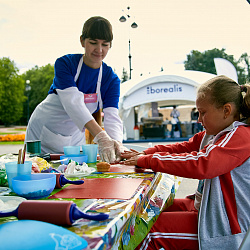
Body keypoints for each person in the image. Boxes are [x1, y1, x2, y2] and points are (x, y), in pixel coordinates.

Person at [122, 75, 250, 249]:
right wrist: (144, 153)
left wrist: (148, 160)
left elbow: (202, 164)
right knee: (149, 208)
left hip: (225, 229)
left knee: (147, 232)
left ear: (226, 110)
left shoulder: (241, 136)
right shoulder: (213, 133)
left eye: (203, 113)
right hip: (204, 209)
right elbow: (182, 148)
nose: (198, 119)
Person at [25, 16, 126, 163]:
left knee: (75, 175)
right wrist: (101, 136)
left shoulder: (110, 79)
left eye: (105, 44)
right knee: (38, 170)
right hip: (43, 132)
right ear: (82, 41)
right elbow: (73, 103)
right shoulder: (65, 64)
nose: (99, 50)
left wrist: (117, 143)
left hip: (73, 138)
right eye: (93, 43)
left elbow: (112, 117)